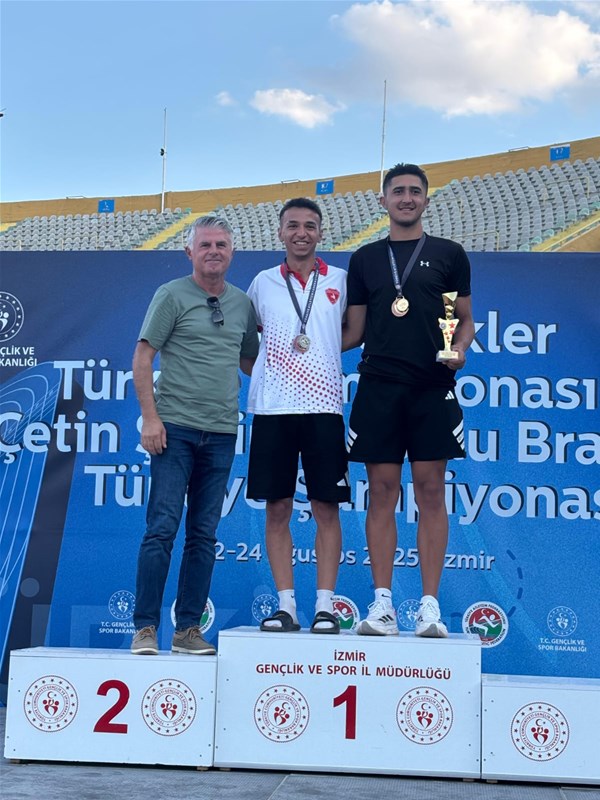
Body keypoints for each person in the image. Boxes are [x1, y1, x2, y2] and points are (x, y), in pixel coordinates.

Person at [343, 163, 475, 638]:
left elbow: (463, 319)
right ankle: (382, 605)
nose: (406, 198)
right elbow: (354, 331)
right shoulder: (365, 259)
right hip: (379, 387)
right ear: (383, 200)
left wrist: (459, 350)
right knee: (381, 492)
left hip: (431, 387)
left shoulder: (449, 254)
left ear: (425, 200)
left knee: (431, 490)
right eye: (397, 191)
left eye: (414, 191)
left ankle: (429, 607)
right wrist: (293, 345)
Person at [131, 216, 259, 655]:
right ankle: (145, 628)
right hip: (175, 430)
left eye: (221, 244)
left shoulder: (242, 304)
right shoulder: (171, 295)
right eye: (205, 244)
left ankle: (187, 630)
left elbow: (250, 362)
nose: (213, 251)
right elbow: (142, 358)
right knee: (161, 530)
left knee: (204, 535)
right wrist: (151, 419)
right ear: (190, 252)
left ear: (232, 252)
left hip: (221, 432)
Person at [246, 198, 350, 634]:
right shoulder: (262, 282)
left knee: (327, 506)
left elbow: (353, 331)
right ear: (280, 232)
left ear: (321, 233)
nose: (301, 233)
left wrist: (322, 352)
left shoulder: (340, 279)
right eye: (293, 225)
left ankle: (325, 606)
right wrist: (269, 371)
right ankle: (286, 606)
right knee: (278, 507)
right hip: (274, 409)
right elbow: (246, 341)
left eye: (309, 225)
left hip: (324, 407)